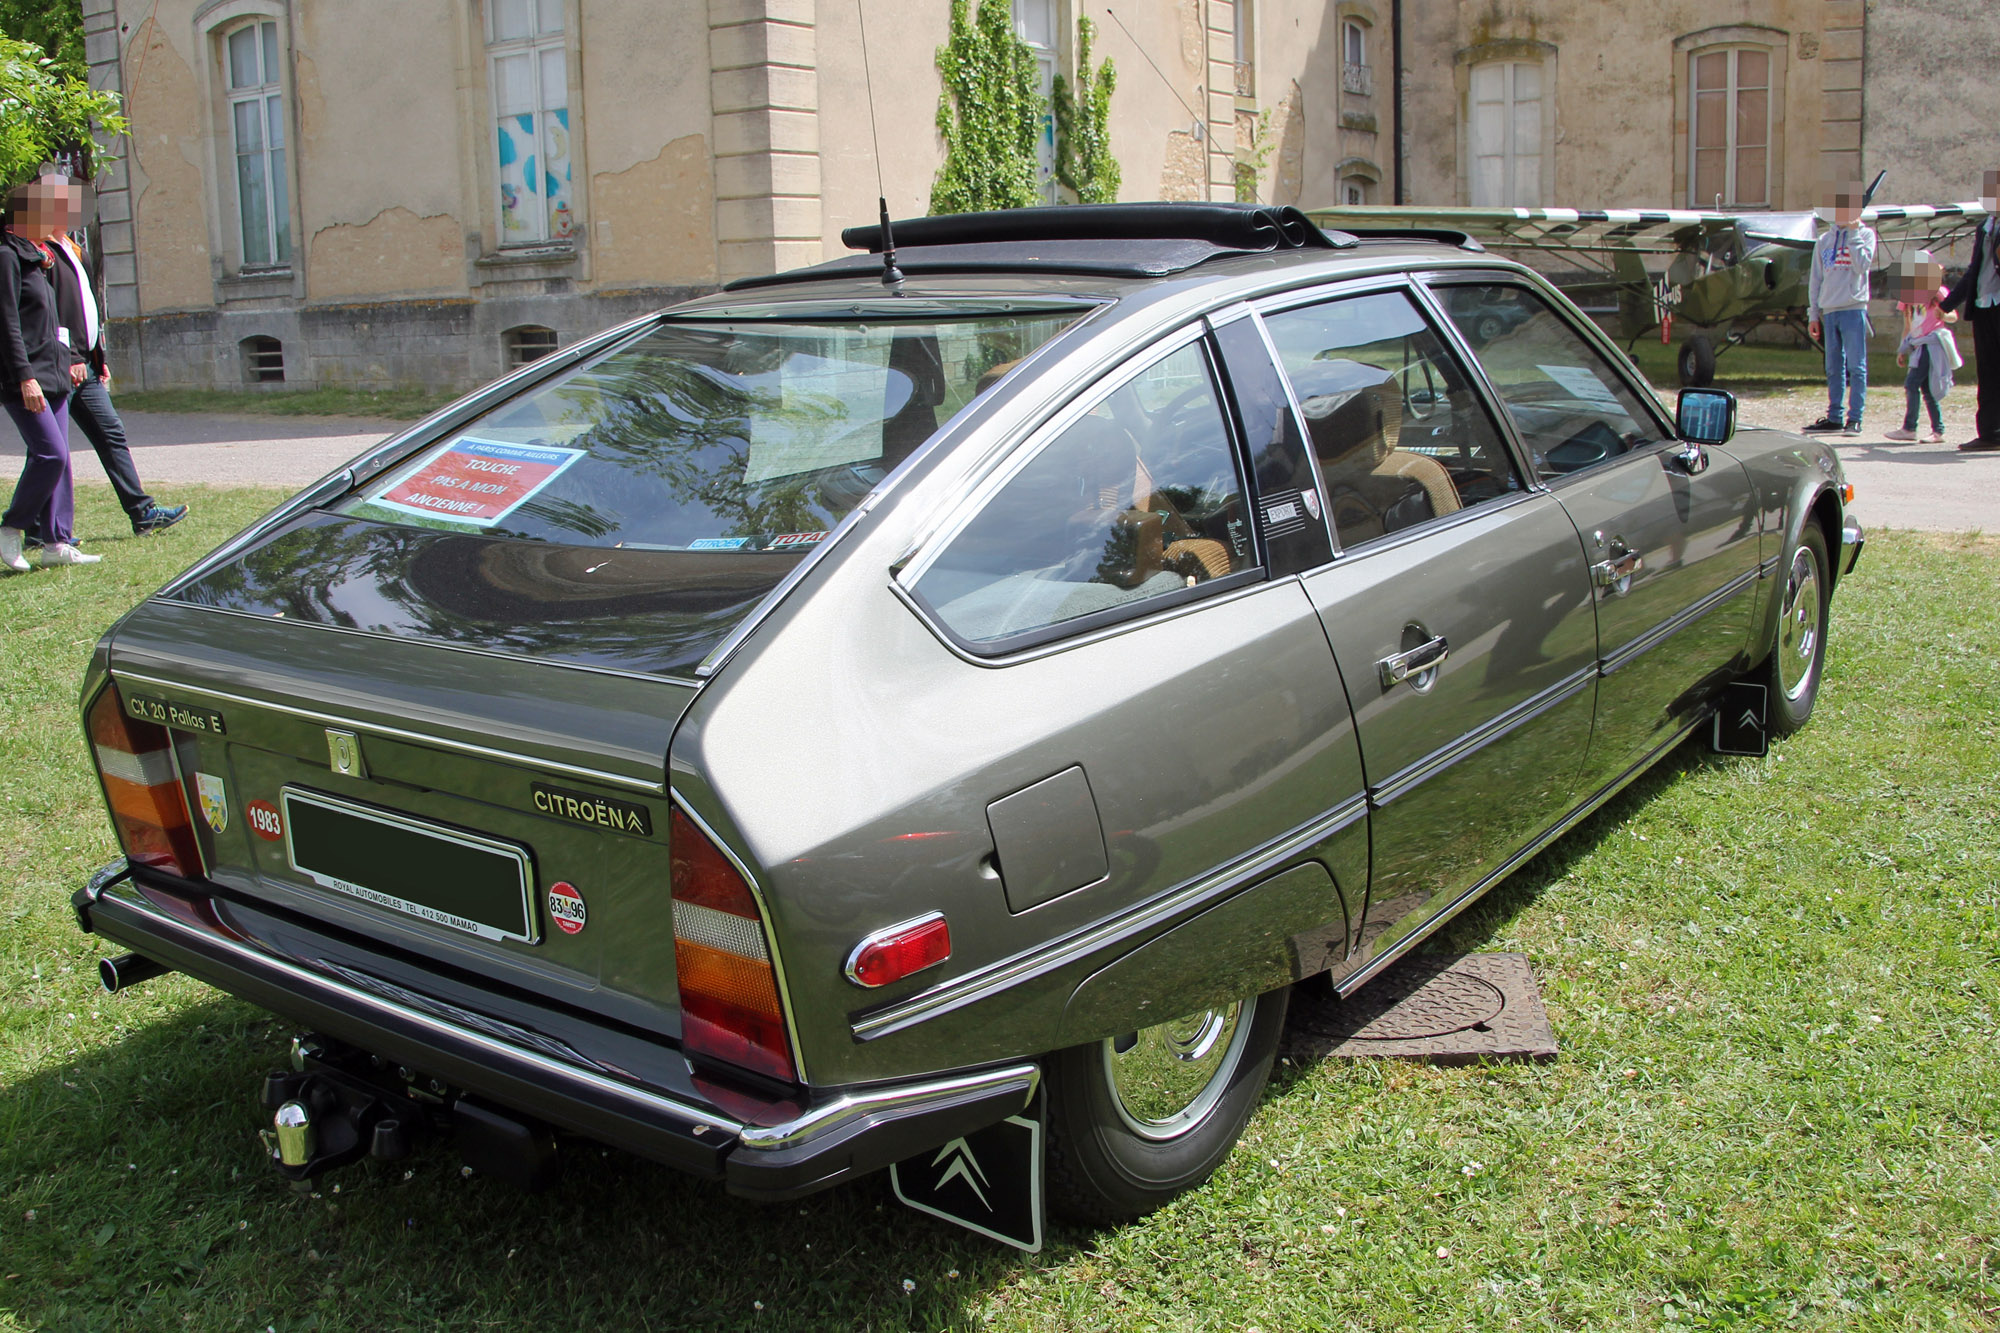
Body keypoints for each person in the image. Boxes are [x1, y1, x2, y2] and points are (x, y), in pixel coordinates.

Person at [38, 177, 186, 541]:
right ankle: (37, 531)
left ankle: (143, 513)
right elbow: (48, 313)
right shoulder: (41, 254)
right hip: (59, 364)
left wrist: (95, 356)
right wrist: (71, 355)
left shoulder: (74, 249)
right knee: (49, 451)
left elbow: (87, 308)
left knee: (111, 433)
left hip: (84, 364)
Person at [1, 171, 97, 571]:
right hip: (25, 377)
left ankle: (56, 542)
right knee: (50, 455)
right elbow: (6, 323)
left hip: (54, 371)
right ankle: (10, 529)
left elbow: (51, 320)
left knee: (61, 458)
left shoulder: (39, 258)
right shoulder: (6, 257)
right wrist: (25, 376)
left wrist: (73, 359)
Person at [1803, 180, 1878, 436]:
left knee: (1857, 366)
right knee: (1833, 366)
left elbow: (1862, 266)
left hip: (1853, 307)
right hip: (1830, 310)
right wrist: (1813, 313)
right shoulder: (1824, 240)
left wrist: (1854, 234)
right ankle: (1834, 416)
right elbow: (1816, 278)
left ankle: (1854, 418)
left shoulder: (1866, 235)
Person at [1939, 168, 2000, 452]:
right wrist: (1946, 303)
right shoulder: (1984, 226)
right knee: (1987, 371)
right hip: (1984, 306)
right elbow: (1973, 272)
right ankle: (1990, 432)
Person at [1886, 251, 1959, 444]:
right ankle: (1938, 431)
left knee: (1912, 383)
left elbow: (1953, 316)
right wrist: (1903, 349)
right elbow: (1908, 326)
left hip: (1931, 344)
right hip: (1917, 345)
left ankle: (1910, 428)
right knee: (1926, 388)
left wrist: (1944, 316)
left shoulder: (1939, 293)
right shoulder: (1907, 298)